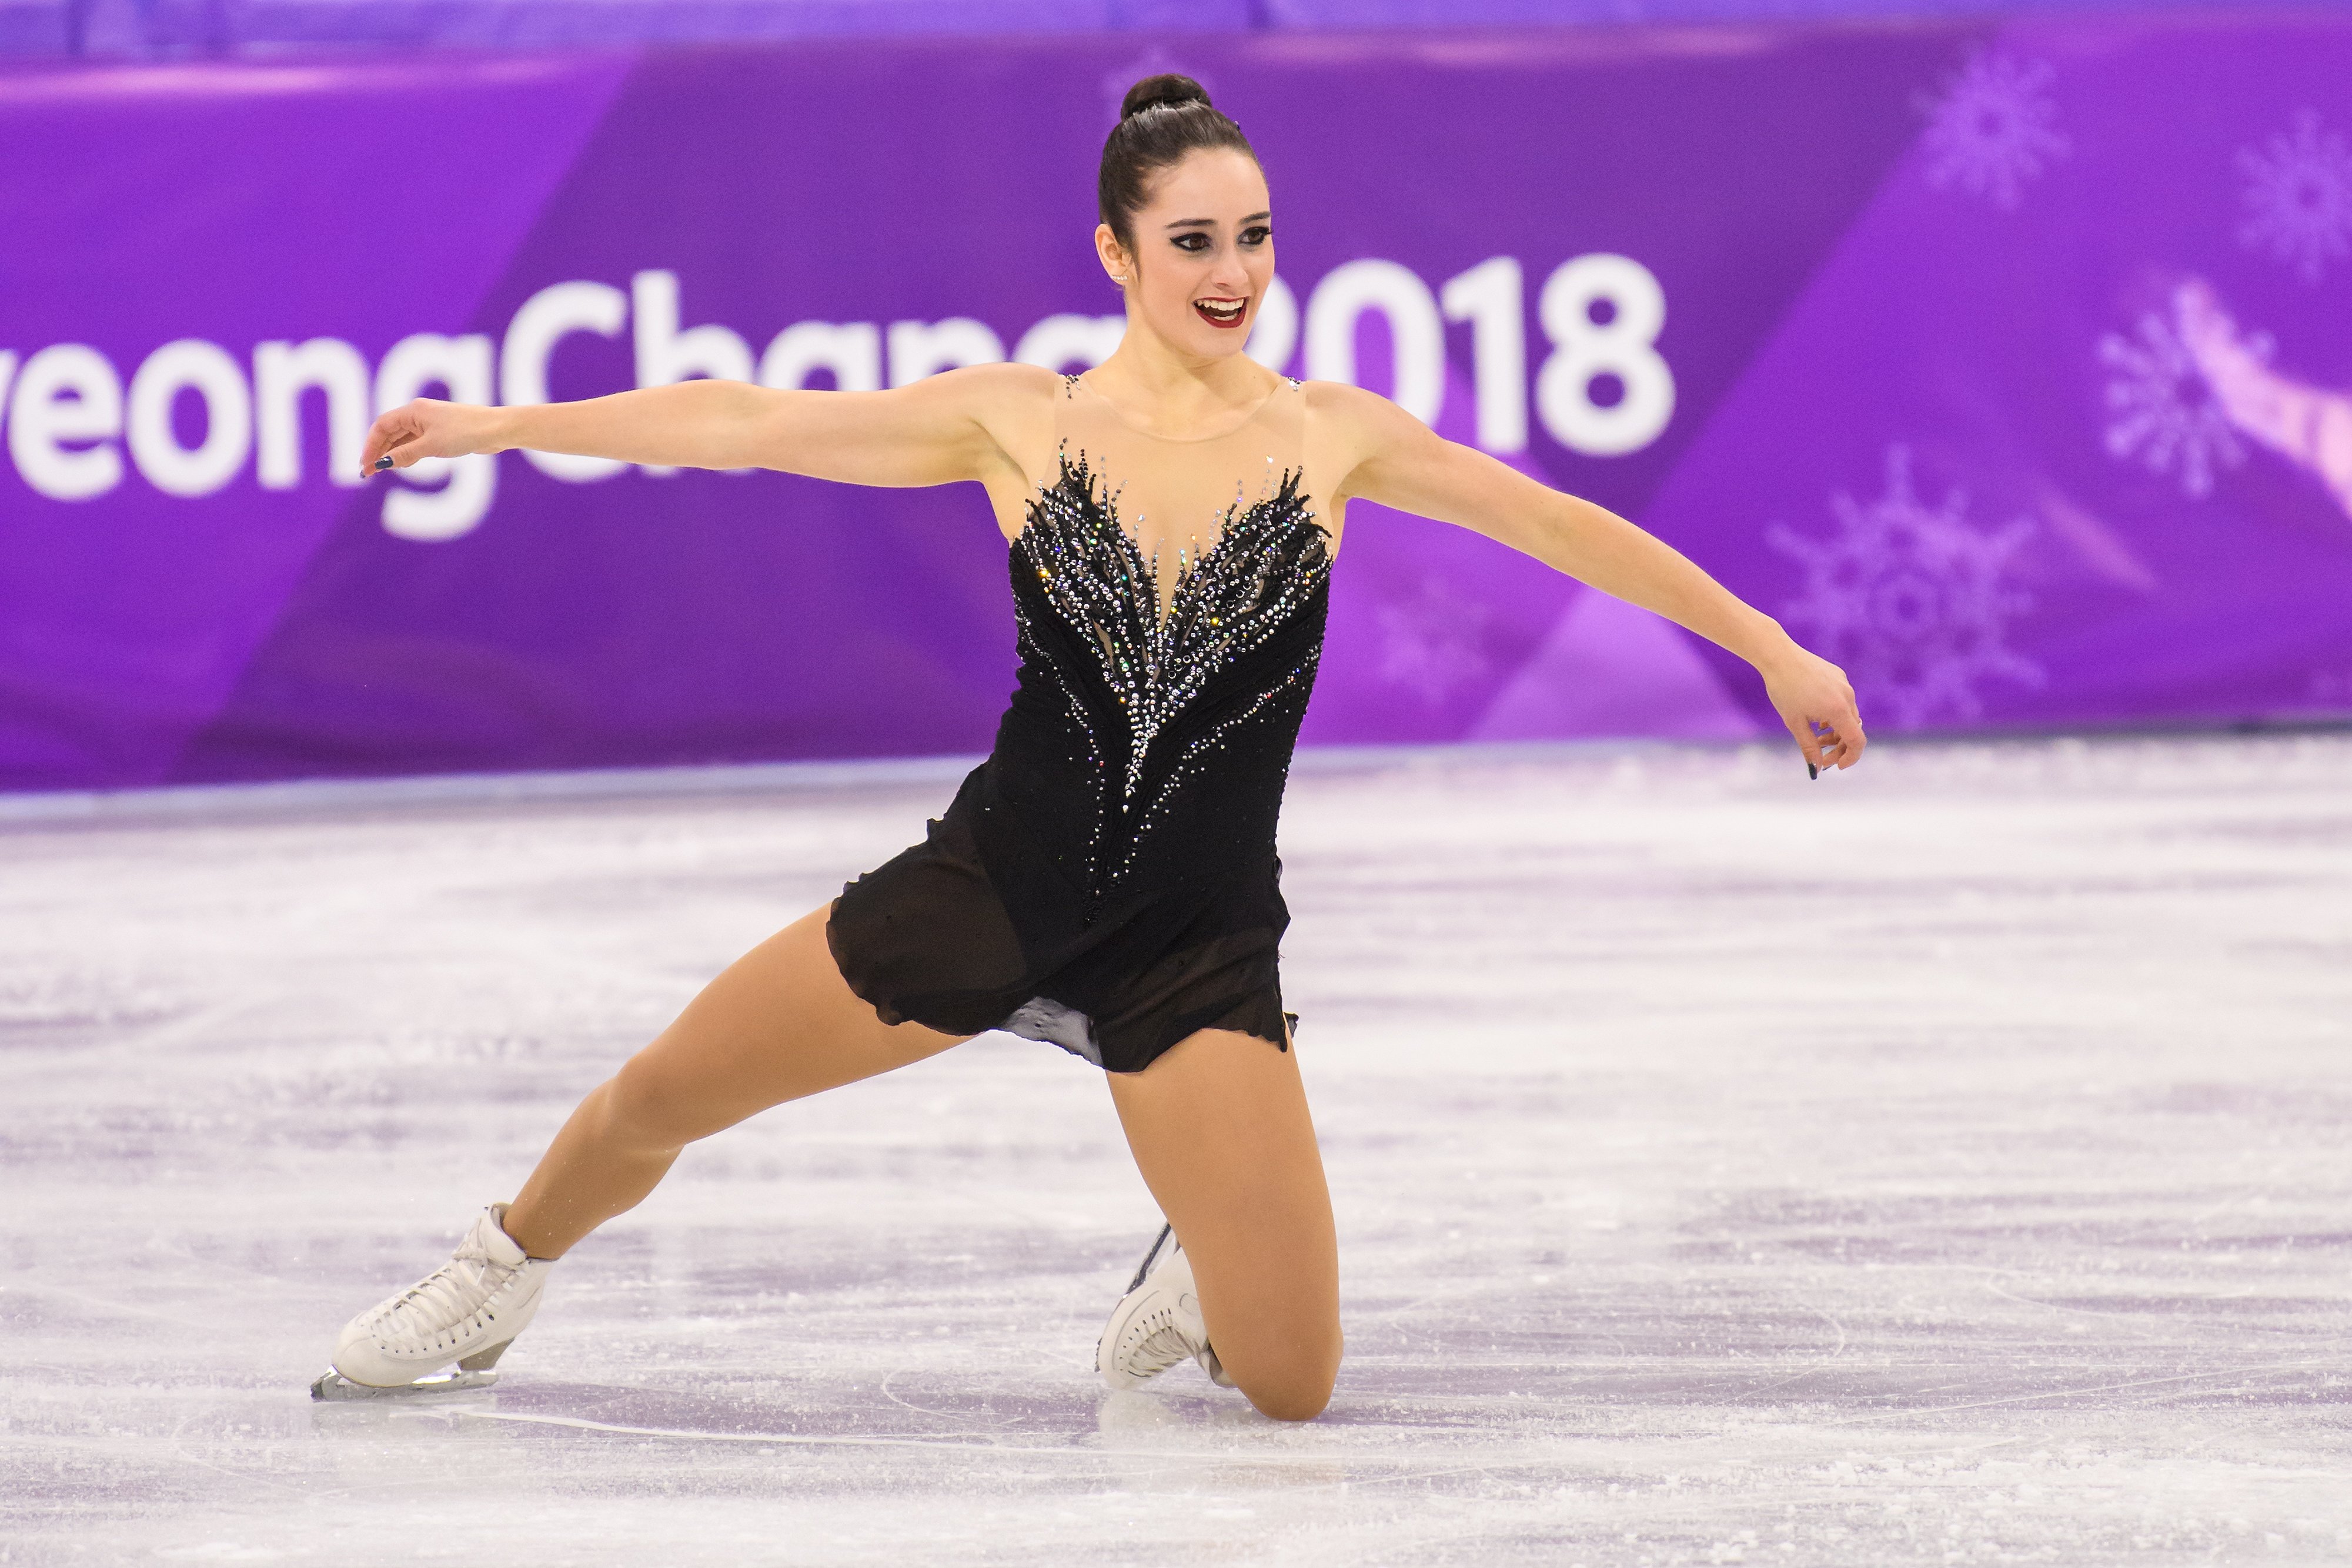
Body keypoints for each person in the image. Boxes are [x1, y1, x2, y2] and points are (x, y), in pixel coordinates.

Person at [322, 73, 1865, 1423]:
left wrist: (1772, 648)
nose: (1233, 272)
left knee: (1294, 1387)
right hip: (992, 885)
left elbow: (1561, 525)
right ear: (1118, 254)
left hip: (1193, 948)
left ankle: (1194, 1248)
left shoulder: (1331, 436)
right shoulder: (1023, 424)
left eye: (1255, 235)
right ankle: (496, 1272)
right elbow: (741, 419)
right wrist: (504, 423)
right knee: (662, 1096)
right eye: (1194, 241)